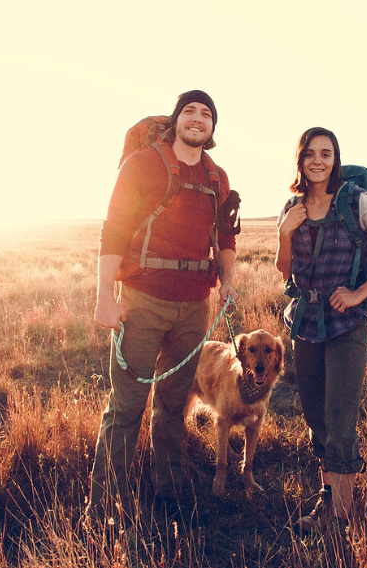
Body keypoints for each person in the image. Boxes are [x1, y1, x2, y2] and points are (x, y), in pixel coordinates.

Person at [89, 90, 238, 521]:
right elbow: (114, 230)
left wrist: (227, 282)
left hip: (195, 307)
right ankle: (103, 503)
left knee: (174, 403)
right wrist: (104, 296)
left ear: (212, 130)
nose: (198, 118)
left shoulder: (218, 177)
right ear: (175, 121)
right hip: (141, 300)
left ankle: (169, 489)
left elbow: (226, 239)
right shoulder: (142, 165)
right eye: (189, 110)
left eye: (206, 113)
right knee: (127, 403)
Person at [276, 127, 367, 533]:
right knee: (315, 415)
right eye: (311, 153)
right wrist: (284, 232)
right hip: (306, 322)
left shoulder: (357, 201)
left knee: (340, 418)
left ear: (336, 159)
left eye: (327, 153)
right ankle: (328, 499)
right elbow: (285, 270)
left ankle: (340, 513)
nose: (318, 160)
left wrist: (359, 294)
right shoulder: (292, 206)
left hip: (347, 324)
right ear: (299, 160)